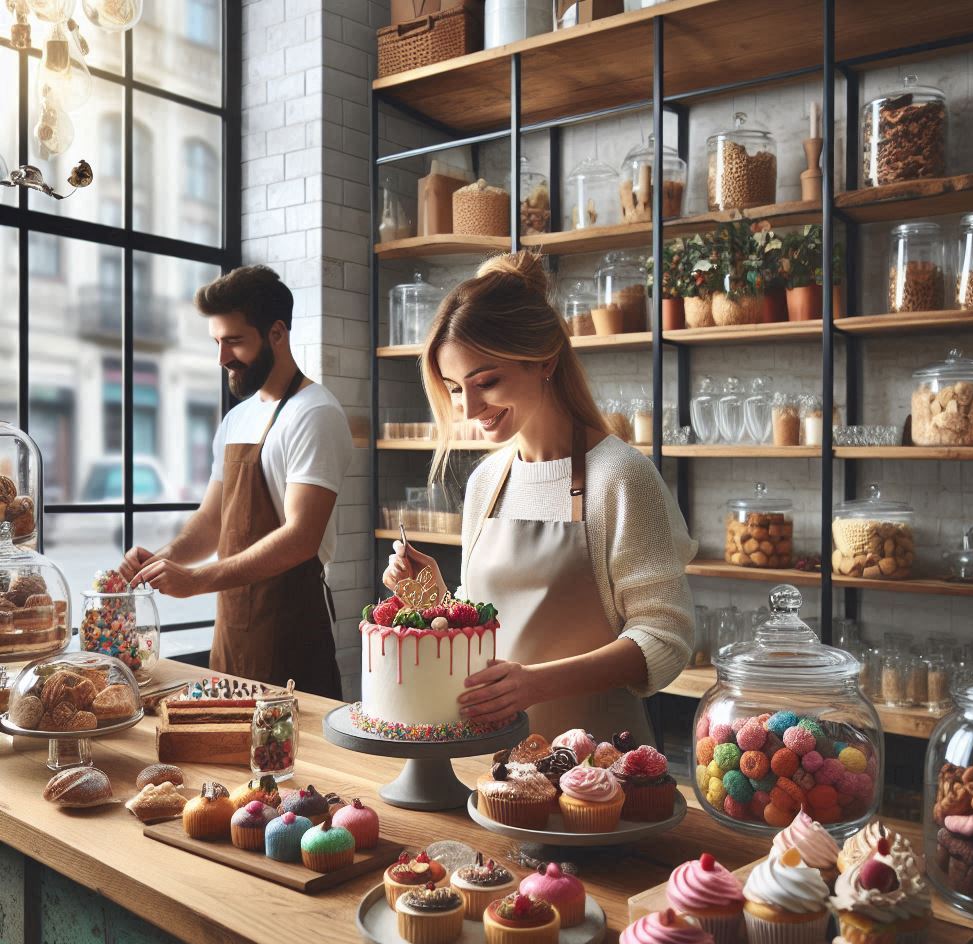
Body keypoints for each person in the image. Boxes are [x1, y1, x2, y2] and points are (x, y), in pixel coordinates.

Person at [383, 251, 696, 742]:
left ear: (545, 361)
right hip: (492, 761)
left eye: (487, 382)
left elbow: (665, 638)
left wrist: (534, 685)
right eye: (454, 389)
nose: (470, 408)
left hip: (599, 767)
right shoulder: (487, 482)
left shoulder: (621, 477)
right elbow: (496, 626)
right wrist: (434, 598)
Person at [120, 265, 352, 696]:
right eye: (217, 342)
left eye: (234, 341)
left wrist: (196, 581)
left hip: (291, 636)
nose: (222, 357)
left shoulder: (314, 414)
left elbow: (301, 537)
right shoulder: (236, 419)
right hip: (231, 637)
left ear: (277, 333)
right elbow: (212, 522)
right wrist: (162, 561)